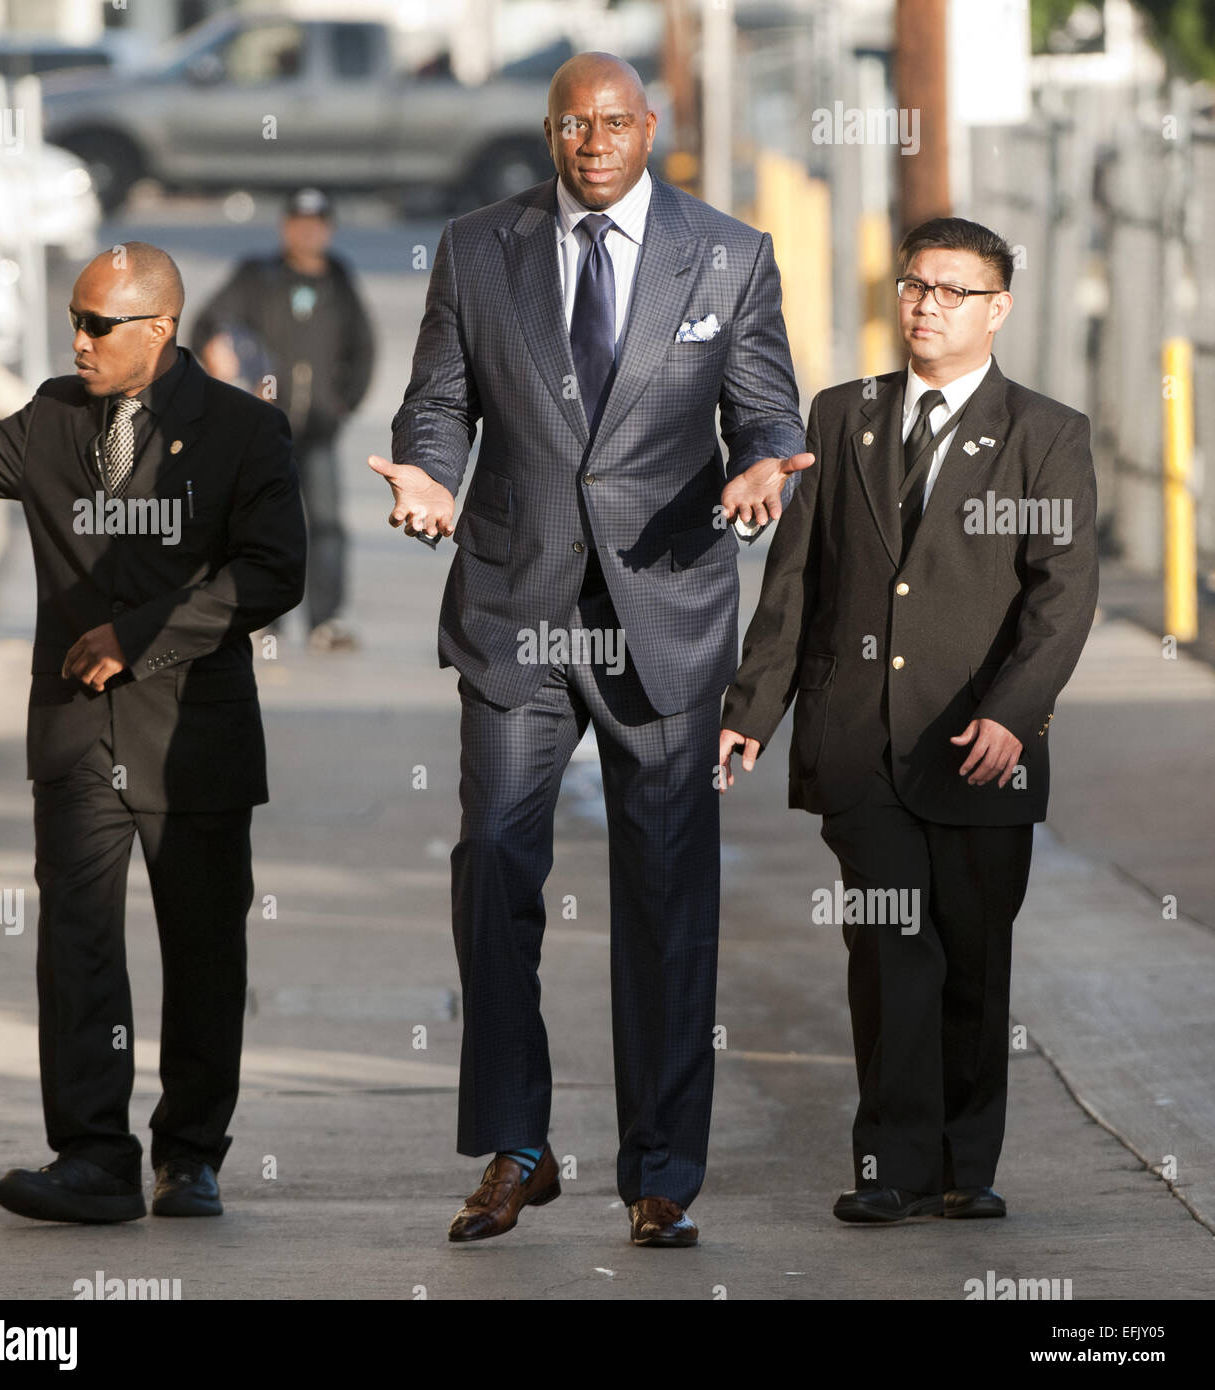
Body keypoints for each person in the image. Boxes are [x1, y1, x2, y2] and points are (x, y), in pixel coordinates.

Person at [370, 52, 811, 1247]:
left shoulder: (727, 252)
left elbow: (765, 404)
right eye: (576, 123)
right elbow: (437, 402)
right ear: (552, 131)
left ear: (648, 127)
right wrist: (425, 474)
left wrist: (766, 459)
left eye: (617, 121)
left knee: (666, 900)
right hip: (518, 608)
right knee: (493, 871)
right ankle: (517, 1143)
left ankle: (659, 1171)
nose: (597, 141)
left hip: (663, 613)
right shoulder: (476, 247)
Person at [719, 217, 1099, 1223]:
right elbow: (793, 581)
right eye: (915, 286)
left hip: (981, 751)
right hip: (860, 746)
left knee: (972, 958)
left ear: (996, 308)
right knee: (890, 948)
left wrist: (1013, 716)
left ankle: (961, 1166)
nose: (926, 305)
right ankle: (887, 1163)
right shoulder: (841, 416)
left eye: (952, 291)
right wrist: (752, 708)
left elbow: (1060, 598)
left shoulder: (1044, 435)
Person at [0, 242, 306, 1222]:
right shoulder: (52, 415)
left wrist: (139, 636)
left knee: (204, 948)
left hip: (194, 737)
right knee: (79, 943)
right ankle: (94, 1156)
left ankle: (190, 1156)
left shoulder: (242, 429)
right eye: (75, 320)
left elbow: (273, 573)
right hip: (77, 737)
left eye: (100, 324)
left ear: (159, 329)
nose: (80, 340)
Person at [194, 187, 375, 652]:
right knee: (263, 525)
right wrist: (219, 352)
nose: (307, 232)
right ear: (285, 227)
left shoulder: (338, 279)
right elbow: (208, 323)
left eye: (317, 223)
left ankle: (326, 620)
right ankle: (264, 621)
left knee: (327, 523)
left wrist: (343, 404)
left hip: (318, 429)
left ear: (328, 230)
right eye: (298, 222)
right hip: (264, 432)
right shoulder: (258, 276)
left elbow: (363, 348)